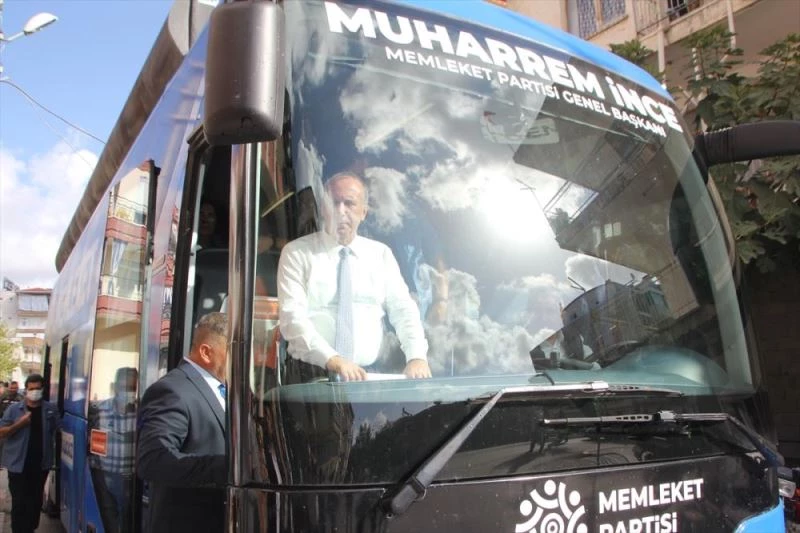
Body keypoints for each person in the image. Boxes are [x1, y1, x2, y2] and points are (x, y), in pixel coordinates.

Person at [277, 172, 432, 381]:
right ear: (323, 208)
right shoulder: (297, 253)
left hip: (370, 377)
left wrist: (416, 357)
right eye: (334, 203)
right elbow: (292, 318)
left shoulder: (380, 255)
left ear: (364, 212)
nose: (341, 211)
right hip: (312, 376)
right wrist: (333, 359)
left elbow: (403, 309)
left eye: (349, 203)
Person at [136, 312, 228, 532]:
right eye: (234, 352)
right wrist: (229, 468)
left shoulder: (226, 390)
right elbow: (153, 461)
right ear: (206, 352)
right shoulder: (171, 390)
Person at [0, 374, 61, 533]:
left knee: (34, 503)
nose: (34, 392)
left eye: (37, 389)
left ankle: (30, 528)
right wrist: (20, 424)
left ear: (43, 389)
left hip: (40, 465)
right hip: (17, 465)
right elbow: (2, 432)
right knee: (19, 503)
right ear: (26, 390)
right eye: (31, 389)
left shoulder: (50, 409)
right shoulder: (14, 410)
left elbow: (58, 429)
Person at [88, 367, 138, 533]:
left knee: (127, 521)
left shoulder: (142, 413)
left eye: (132, 388)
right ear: (115, 387)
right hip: (105, 477)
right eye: (125, 387)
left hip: (130, 480)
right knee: (109, 521)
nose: (128, 392)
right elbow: (92, 444)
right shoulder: (99, 410)